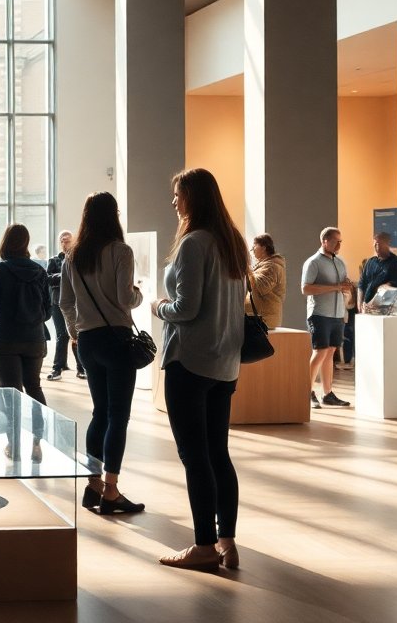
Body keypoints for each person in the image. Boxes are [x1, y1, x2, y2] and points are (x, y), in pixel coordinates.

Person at [151, 168, 247, 571]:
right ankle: (227, 541)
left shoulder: (194, 243)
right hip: (224, 363)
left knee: (195, 457)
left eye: (178, 195)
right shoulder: (232, 244)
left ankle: (203, 546)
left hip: (190, 361)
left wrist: (158, 307)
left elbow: (186, 309)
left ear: (193, 198)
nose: (174, 201)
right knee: (217, 454)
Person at [58, 191, 146, 515]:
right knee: (118, 416)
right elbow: (125, 298)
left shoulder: (74, 255)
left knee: (99, 412)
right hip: (117, 340)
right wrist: (138, 294)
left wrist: (74, 333)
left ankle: (93, 484)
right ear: (114, 215)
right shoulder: (121, 251)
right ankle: (111, 490)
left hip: (88, 342)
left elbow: (65, 303)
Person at [0, 223, 51, 464]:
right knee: (34, 387)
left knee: (11, 393)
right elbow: (48, 311)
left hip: (6, 339)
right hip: (35, 338)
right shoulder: (40, 272)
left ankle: (13, 444)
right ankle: (37, 444)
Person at [302, 227, 352, 409]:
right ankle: (306, 392)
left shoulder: (340, 262)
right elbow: (305, 289)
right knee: (320, 351)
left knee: (331, 352)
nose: (339, 244)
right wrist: (335, 287)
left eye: (340, 241)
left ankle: (328, 393)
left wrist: (345, 288)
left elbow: (343, 286)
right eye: (336, 241)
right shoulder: (313, 262)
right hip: (319, 313)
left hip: (337, 314)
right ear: (325, 241)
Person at [45, 231, 78, 381]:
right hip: (57, 302)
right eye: (62, 241)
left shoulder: (78, 258)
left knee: (76, 334)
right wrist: (64, 275)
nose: (65, 243)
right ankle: (57, 367)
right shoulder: (54, 260)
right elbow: (47, 279)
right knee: (62, 334)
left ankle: (80, 367)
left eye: (68, 240)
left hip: (75, 302)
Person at [245, 233, 286, 329]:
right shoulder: (266, 265)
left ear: (263, 247)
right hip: (257, 318)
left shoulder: (272, 266)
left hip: (264, 319)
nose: (252, 250)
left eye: (254, 246)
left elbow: (261, 286)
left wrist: (247, 269)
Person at [358, 231, 397, 312]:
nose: (377, 247)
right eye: (375, 244)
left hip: (383, 308)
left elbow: (394, 284)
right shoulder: (370, 262)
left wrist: (382, 288)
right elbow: (361, 284)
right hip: (365, 308)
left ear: (387, 244)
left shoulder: (395, 262)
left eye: (379, 244)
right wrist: (360, 304)